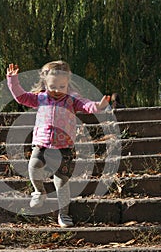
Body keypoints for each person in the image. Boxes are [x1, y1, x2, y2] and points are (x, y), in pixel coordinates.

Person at [6, 60, 109, 227]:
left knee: (61, 183)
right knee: (33, 166)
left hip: (64, 148)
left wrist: (98, 106)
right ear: (45, 83)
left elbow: (87, 105)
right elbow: (21, 97)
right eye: (53, 86)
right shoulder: (40, 98)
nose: (57, 90)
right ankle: (39, 191)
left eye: (62, 87)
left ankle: (63, 214)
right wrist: (12, 80)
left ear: (67, 83)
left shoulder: (72, 99)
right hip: (42, 144)